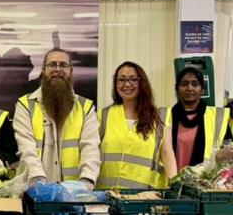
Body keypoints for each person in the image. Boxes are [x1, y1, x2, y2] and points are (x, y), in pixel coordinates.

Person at [13, 48, 100, 189]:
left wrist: (86, 181)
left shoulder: (85, 107)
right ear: (43, 70)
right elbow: (26, 147)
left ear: (71, 70)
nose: (58, 69)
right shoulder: (25, 105)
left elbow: (90, 148)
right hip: (35, 194)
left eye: (63, 65)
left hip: (74, 195)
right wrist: (37, 181)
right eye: (52, 65)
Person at [97, 61, 177, 189]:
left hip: (144, 198)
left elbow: (167, 153)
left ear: (142, 83)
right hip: (107, 197)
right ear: (115, 85)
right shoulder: (103, 115)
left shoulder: (159, 117)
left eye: (133, 79)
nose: (127, 84)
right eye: (121, 80)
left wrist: (174, 187)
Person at [170, 67, 232, 171]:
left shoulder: (218, 117)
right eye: (184, 84)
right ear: (177, 89)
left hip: (204, 182)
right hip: (171, 182)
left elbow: (229, 152)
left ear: (202, 89)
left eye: (195, 84)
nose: (190, 88)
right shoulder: (166, 116)